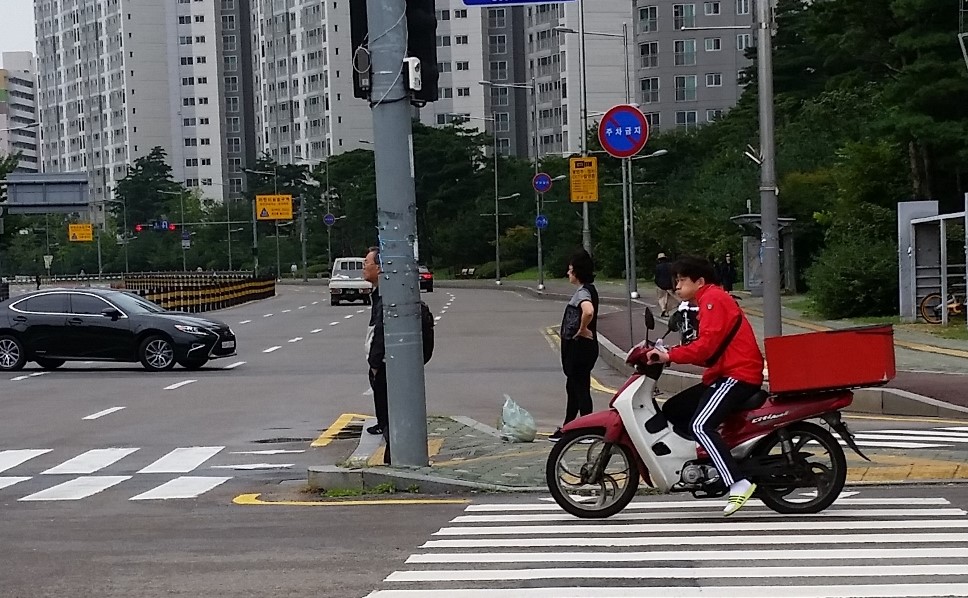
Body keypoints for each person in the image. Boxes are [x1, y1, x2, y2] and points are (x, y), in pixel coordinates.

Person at [646, 256, 764, 516]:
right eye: (675, 282)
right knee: (675, 409)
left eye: (681, 281)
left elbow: (707, 346)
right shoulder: (708, 300)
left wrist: (670, 355)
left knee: (700, 424)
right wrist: (670, 352)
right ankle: (705, 464)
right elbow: (706, 349)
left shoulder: (712, 299)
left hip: (738, 375)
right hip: (724, 373)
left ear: (699, 281)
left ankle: (738, 482)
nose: (676, 287)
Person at [550, 249, 600, 442]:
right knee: (574, 387)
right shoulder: (588, 289)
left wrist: (582, 329)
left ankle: (588, 429)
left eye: (570, 270)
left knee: (580, 388)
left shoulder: (583, 292)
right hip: (583, 348)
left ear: (577, 272)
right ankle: (569, 426)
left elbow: (588, 311)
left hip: (580, 348)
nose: (568, 273)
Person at [363, 247, 388, 445]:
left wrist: (375, 361)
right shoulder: (379, 293)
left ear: (379, 268)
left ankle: (385, 428)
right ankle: (383, 424)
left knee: (385, 398)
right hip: (381, 361)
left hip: (384, 362)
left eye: (366, 263)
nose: (363, 267)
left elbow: (380, 330)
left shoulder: (386, 297)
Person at [654, 253, 676, 317]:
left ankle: (663, 309)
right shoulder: (670, 266)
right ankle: (667, 310)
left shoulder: (657, 267)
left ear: (659, 260)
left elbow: (656, 277)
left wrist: (657, 283)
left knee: (661, 298)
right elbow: (673, 276)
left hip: (660, 285)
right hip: (670, 285)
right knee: (670, 299)